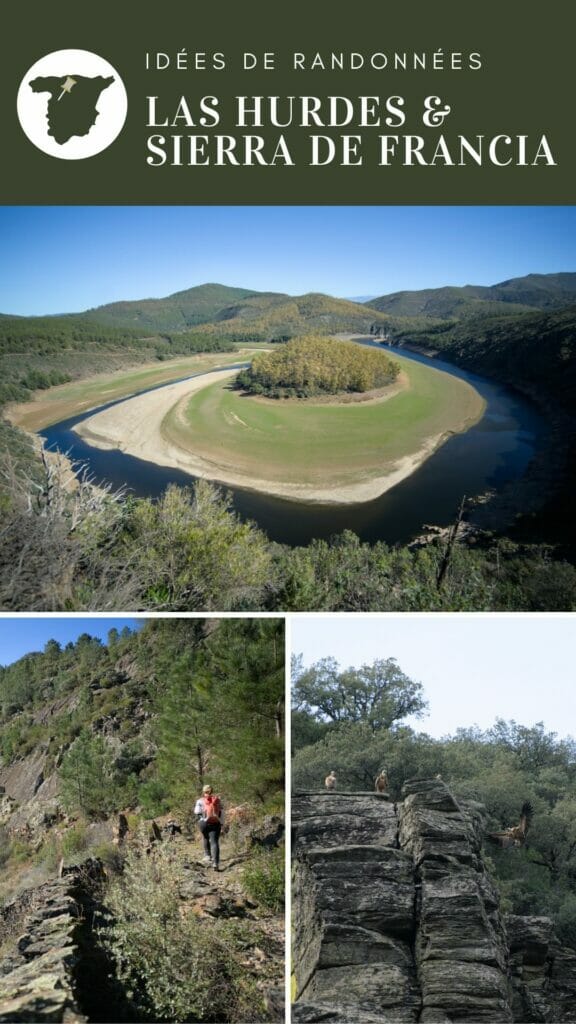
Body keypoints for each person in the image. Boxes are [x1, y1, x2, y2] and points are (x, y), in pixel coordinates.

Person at [194, 783, 224, 870]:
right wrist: (221, 823)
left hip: (204, 823)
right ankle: (216, 863)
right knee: (214, 842)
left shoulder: (200, 801)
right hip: (215, 822)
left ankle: (207, 855)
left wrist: (203, 819)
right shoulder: (217, 800)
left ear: (203, 792)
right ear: (212, 791)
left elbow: (197, 812)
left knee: (205, 837)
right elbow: (222, 812)